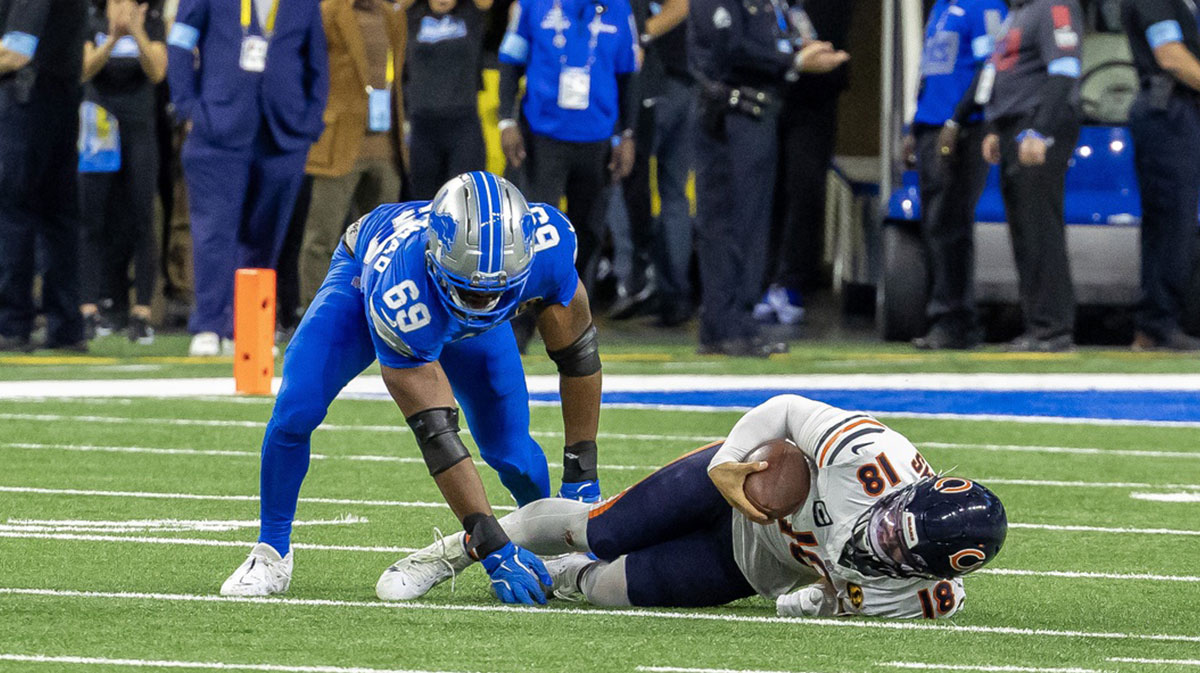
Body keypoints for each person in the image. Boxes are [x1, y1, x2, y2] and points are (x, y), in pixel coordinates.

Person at [219, 172, 606, 607]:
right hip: (368, 280)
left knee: (512, 452)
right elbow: (438, 436)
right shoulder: (402, 293)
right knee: (296, 408)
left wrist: (582, 477)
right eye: (470, 291)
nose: (482, 303)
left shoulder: (548, 251)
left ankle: (552, 547)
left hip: (440, 300)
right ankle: (271, 551)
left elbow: (579, 360)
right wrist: (492, 546)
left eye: (496, 293)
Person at [387, 394, 1007, 618]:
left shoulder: (923, 600)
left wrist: (796, 601)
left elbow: (833, 598)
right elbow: (786, 408)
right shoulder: (869, 455)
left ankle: (547, 578)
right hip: (730, 483)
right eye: (894, 523)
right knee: (595, 530)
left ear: (933, 573)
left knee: (605, 590)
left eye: (901, 550)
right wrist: (728, 465)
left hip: (747, 564)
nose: (884, 540)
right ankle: (457, 549)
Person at [166, 0, 329, 356]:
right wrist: (187, 105)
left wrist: (310, 122)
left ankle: (250, 326)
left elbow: (318, 60)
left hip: (283, 134)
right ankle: (210, 324)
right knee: (214, 232)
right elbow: (179, 42)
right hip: (218, 129)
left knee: (266, 235)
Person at [688, 0, 847, 356]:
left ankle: (732, 324)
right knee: (731, 222)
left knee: (748, 221)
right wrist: (794, 61)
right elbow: (731, 48)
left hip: (756, 113)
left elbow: (769, 37)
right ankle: (726, 324)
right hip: (732, 113)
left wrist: (797, 49)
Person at [497, 0, 641, 293]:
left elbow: (629, 77)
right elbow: (511, 62)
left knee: (587, 238)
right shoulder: (532, 5)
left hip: (597, 142)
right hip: (542, 139)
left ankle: (575, 325)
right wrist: (506, 121)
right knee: (532, 236)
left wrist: (627, 134)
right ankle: (521, 326)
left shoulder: (619, 8)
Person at [978, 0, 1083, 352]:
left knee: (1039, 226)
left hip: (1037, 122)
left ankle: (1053, 329)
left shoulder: (1055, 5)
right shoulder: (1016, 13)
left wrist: (1040, 129)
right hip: (1013, 124)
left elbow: (1066, 68)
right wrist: (994, 126)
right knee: (1024, 229)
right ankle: (1038, 326)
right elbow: (1002, 72)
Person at [907, 0, 1007, 350]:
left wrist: (958, 119)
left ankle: (955, 321)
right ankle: (943, 317)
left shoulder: (984, 6)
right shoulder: (940, 8)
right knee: (934, 226)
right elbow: (929, 72)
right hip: (930, 126)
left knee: (951, 225)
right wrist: (914, 126)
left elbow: (991, 67)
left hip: (962, 130)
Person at [297, 0, 407, 312]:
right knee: (321, 238)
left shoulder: (391, 15)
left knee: (388, 243)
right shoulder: (327, 12)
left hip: (386, 147)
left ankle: (382, 314)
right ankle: (314, 314)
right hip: (338, 143)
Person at [756, 0, 854, 328]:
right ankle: (762, 281)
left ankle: (791, 282)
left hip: (814, 101)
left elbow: (829, 43)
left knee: (804, 189)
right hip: (770, 95)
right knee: (765, 192)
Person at [0, 0, 88, 353]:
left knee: (12, 211)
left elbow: (17, 51)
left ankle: (11, 323)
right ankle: (67, 326)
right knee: (60, 216)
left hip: (27, 99)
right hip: (61, 97)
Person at [78, 0, 167, 344]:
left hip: (140, 130)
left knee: (142, 218)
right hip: (99, 127)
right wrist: (113, 39)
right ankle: (88, 308)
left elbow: (158, 70)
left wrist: (138, 32)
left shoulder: (153, 20)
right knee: (92, 218)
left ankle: (141, 312)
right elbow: (83, 69)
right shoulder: (92, 18)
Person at [1121, 0, 1200, 351]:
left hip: (1181, 111)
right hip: (1168, 110)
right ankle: (1158, 323)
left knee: (1173, 222)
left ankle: (1159, 323)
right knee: (1172, 220)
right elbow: (1170, 56)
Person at [403, 0, 491, 200]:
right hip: (422, 128)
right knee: (422, 204)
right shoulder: (412, 14)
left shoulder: (471, 13)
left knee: (466, 202)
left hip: (463, 126)